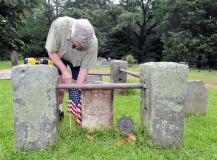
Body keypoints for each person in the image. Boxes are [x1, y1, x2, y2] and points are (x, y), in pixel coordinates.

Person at [45, 16, 98, 120]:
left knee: (79, 88)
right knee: (60, 85)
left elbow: (84, 69)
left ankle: (79, 114)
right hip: (60, 57)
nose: (77, 47)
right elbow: (51, 51)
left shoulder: (93, 42)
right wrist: (64, 71)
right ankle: (59, 111)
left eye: (82, 47)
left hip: (79, 62)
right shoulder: (59, 25)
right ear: (70, 31)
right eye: (75, 44)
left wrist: (78, 87)